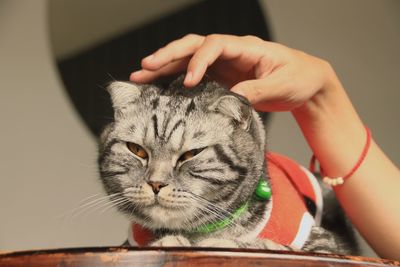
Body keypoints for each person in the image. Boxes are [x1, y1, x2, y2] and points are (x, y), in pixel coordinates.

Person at [130, 34, 400, 260]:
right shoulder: (139, 233)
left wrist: (322, 94)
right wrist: (322, 96)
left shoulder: (288, 211)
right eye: (139, 152)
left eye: (189, 154)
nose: (157, 180)